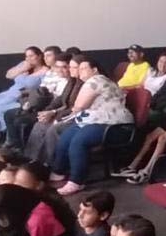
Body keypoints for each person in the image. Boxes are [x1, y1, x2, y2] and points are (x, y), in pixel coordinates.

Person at [50, 56, 134, 195]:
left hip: (116, 125)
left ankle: (77, 181)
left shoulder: (96, 80)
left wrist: (76, 108)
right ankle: (58, 172)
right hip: (96, 120)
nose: (80, 71)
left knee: (79, 141)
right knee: (67, 136)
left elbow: (79, 106)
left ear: (94, 70)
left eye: (84, 68)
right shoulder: (93, 81)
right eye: (79, 68)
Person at [0, 46, 48, 131]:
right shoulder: (24, 64)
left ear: (39, 56)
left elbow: (43, 89)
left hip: (21, 96)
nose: (28, 59)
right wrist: (22, 69)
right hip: (10, 92)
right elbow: (8, 75)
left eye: (31, 56)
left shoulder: (45, 71)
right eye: (26, 56)